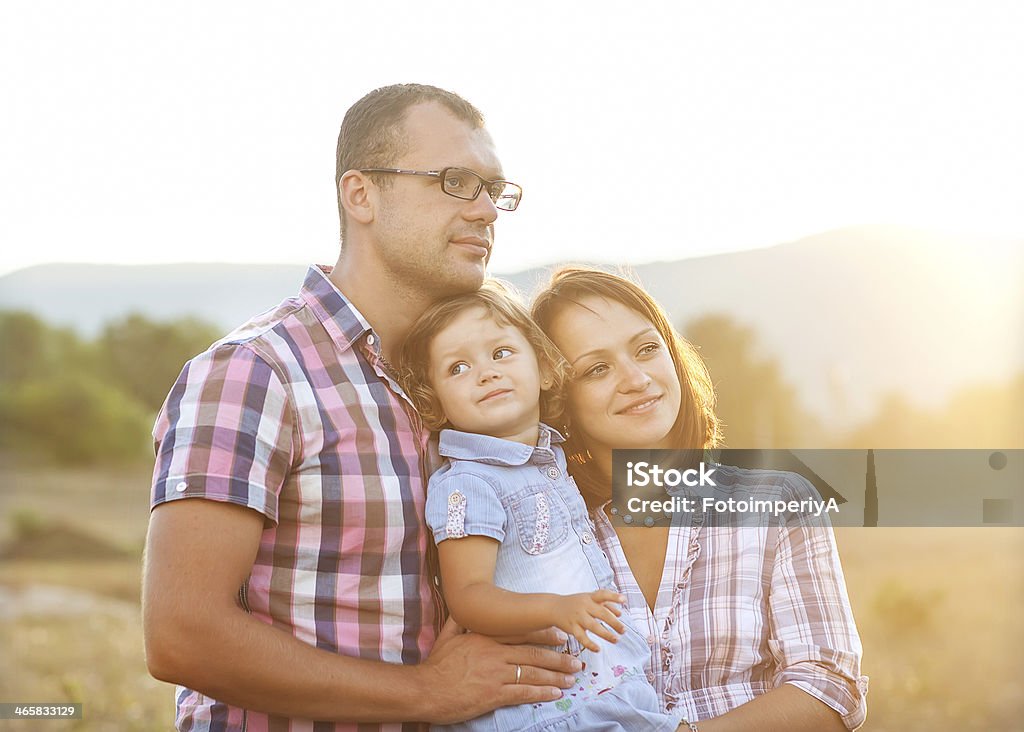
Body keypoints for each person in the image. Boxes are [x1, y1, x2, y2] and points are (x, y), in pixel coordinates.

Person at [142, 84, 580, 732]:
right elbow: (182, 633)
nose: (488, 210)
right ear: (361, 194)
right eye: (456, 181)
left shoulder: (462, 389)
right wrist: (426, 694)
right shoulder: (259, 373)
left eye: (496, 189)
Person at [531, 267, 869, 731]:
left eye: (647, 349)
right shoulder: (545, 533)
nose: (636, 378)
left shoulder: (779, 503)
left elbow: (828, 688)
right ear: (559, 401)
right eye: (597, 368)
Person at [399, 282, 688, 731]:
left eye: (501, 353)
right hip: (542, 712)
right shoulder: (466, 484)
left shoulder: (548, 463)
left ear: (546, 368)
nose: (486, 373)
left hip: (599, 691)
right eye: (458, 367)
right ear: (434, 400)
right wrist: (556, 609)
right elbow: (469, 597)